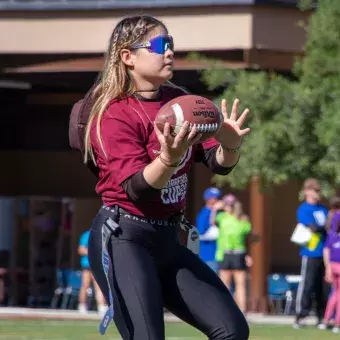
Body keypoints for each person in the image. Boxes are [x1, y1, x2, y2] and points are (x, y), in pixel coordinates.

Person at [85, 15, 251, 340]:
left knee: (232, 331)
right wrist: (168, 160)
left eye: (171, 44)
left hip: (169, 238)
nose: (170, 52)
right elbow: (138, 189)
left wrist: (231, 146)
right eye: (160, 46)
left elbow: (218, 164)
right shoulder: (114, 113)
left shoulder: (179, 101)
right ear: (127, 56)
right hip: (125, 238)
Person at [294, 178, 328, 328]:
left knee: (322, 287)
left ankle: (322, 316)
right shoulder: (304, 209)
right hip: (310, 252)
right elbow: (313, 227)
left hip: (324, 253)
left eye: (318, 190)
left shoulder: (323, 209)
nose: (317, 193)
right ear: (307, 191)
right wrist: (325, 227)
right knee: (307, 285)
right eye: (314, 190)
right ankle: (301, 315)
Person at [215, 199, 252, 313]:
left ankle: (228, 309)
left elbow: (213, 222)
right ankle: (241, 310)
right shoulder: (243, 220)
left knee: (228, 283)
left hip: (229, 253)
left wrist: (215, 209)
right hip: (237, 253)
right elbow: (250, 237)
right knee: (238, 284)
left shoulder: (223, 218)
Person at [318, 197, 340, 333]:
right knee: (338, 295)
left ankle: (326, 320)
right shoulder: (334, 235)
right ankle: (337, 322)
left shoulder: (331, 235)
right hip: (336, 265)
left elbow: (326, 250)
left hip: (332, 265)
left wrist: (327, 267)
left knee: (335, 294)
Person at [78, 229, 107, 314]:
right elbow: (81, 249)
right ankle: (82, 306)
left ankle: (101, 306)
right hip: (87, 265)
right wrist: (93, 253)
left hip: (97, 265)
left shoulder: (103, 234)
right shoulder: (86, 235)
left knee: (99, 286)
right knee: (85, 285)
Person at [196, 187, 222, 272]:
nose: (218, 200)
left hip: (218, 254)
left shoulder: (219, 213)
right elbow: (201, 234)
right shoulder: (204, 214)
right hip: (208, 255)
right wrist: (215, 232)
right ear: (209, 199)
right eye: (216, 198)